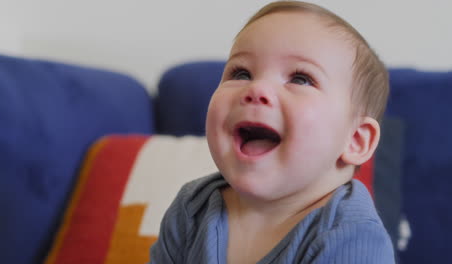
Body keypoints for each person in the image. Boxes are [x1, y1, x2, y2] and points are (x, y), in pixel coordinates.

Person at [149, 1, 395, 263]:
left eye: (300, 78)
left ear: (355, 140)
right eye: (241, 73)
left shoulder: (353, 237)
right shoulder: (192, 207)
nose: (256, 89)